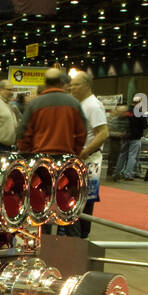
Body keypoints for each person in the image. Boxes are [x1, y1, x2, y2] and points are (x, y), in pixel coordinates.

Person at [16, 69, 88, 235]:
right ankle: (71, 245)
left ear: (46, 82)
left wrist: (28, 155)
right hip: (66, 162)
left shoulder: (35, 104)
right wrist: (74, 153)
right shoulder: (74, 103)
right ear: (62, 83)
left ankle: (44, 243)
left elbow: (23, 133)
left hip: (41, 163)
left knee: (40, 205)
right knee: (67, 204)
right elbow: (82, 133)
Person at [69, 71, 108, 236]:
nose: (72, 88)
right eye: (71, 85)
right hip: (80, 158)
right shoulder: (81, 104)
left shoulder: (92, 105)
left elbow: (103, 132)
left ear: (86, 85)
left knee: (84, 200)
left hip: (88, 159)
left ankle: (82, 235)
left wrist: (85, 151)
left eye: (76, 85)